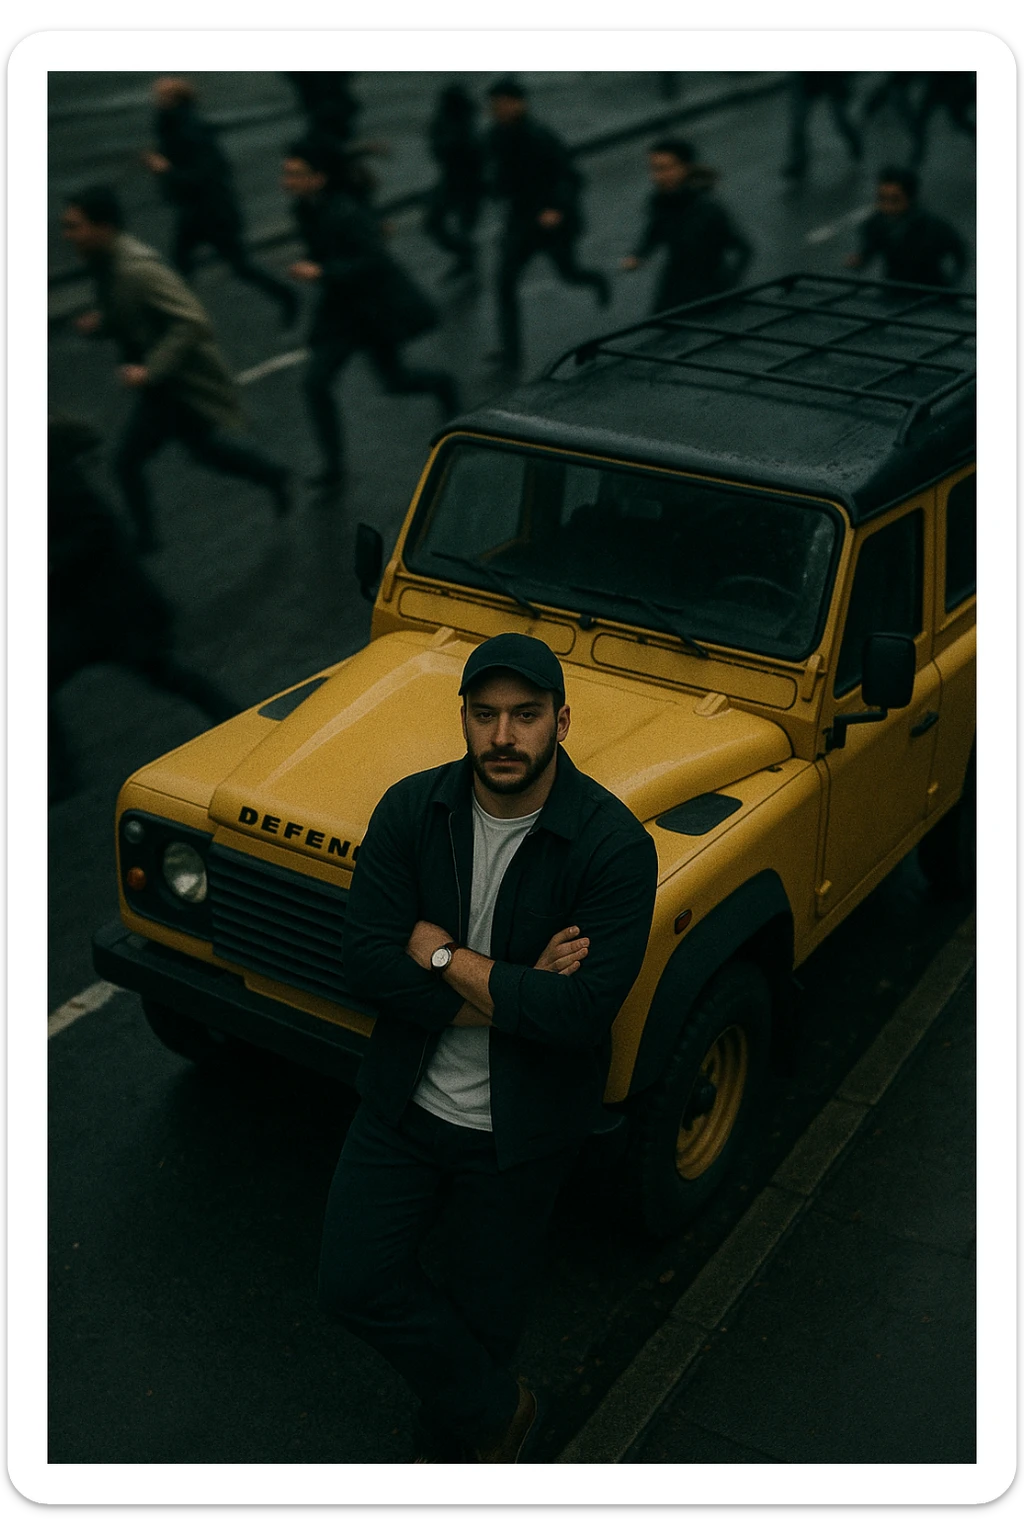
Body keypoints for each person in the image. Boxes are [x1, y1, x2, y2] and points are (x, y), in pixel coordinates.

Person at [318, 633, 659, 1463]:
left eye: (526, 716)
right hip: (403, 1104)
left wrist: (440, 956)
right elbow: (363, 962)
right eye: (486, 715)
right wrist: (512, 990)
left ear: (562, 722)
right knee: (353, 1281)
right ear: (464, 720)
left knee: (484, 1321)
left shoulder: (612, 846)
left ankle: (457, 1446)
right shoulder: (411, 810)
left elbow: (578, 1013)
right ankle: (499, 1409)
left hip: (521, 1136)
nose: (504, 736)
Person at [62, 186, 293, 554]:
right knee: (204, 451)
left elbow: (192, 321)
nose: (67, 235)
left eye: (75, 226)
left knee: (127, 461)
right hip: (166, 385)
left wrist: (149, 371)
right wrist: (102, 324)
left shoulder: (136, 269)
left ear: (103, 226)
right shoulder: (106, 263)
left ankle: (145, 541)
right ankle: (272, 476)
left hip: (176, 384)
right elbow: (133, 315)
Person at [48, 415, 238, 803]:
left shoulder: (47, 470)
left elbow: (95, 527)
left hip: (109, 605)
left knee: (163, 671)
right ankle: (58, 775)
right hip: (77, 609)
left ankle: (240, 724)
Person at [281, 140, 460, 493]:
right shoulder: (306, 210)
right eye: (286, 173)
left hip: (372, 313)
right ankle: (334, 468)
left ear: (318, 179)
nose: (286, 181)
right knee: (316, 383)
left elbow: (374, 261)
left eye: (294, 174)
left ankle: (443, 384)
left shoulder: (345, 212)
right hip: (340, 314)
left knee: (395, 381)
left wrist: (322, 272)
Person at [142, 77, 298, 328]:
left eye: (161, 96)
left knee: (239, 266)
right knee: (183, 266)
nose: (155, 101)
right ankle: (179, 322)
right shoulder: (170, 127)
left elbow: (204, 175)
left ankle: (286, 295)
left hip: (214, 213)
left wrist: (165, 170)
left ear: (175, 99)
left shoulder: (191, 130)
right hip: (194, 211)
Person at [484, 77, 610, 373]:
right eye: (494, 106)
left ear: (519, 104)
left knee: (569, 274)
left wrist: (556, 208)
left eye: (503, 104)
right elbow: (495, 173)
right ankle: (511, 355)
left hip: (551, 223)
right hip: (520, 222)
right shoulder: (494, 136)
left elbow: (570, 177)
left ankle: (596, 280)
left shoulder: (541, 136)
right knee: (504, 284)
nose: (498, 111)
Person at [620, 138, 753, 313]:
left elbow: (743, 248)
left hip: (710, 291)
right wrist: (639, 255)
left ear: (685, 168)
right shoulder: (660, 202)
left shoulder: (708, 209)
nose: (657, 176)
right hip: (674, 286)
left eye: (664, 169)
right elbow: (655, 231)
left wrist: (730, 286)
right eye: (653, 169)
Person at [844, 167, 968, 289]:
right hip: (893, 290)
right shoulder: (875, 223)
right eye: (882, 198)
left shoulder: (934, 226)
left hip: (930, 291)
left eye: (895, 200)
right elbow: (870, 249)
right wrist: (859, 261)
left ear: (910, 198)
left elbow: (960, 254)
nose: (886, 206)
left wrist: (952, 284)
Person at [423, 84, 485, 280]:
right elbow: (439, 148)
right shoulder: (447, 122)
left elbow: (475, 153)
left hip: (469, 183)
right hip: (453, 181)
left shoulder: (466, 123)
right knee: (436, 223)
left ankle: (466, 259)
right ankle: (466, 255)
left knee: (461, 226)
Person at [782, 72, 863, 181]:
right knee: (798, 122)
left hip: (831, 77)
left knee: (840, 119)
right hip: (806, 78)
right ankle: (798, 162)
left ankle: (855, 143)